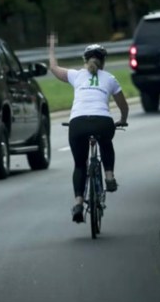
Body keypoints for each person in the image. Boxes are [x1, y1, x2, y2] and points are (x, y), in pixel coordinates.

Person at [48, 33, 129, 223]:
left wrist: (51, 48)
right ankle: (109, 176)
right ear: (104, 61)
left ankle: (78, 202)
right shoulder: (110, 78)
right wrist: (122, 119)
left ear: (85, 60)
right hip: (103, 121)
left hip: (78, 123)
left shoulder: (76, 75)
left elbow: (53, 68)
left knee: (79, 164)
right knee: (106, 142)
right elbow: (123, 105)